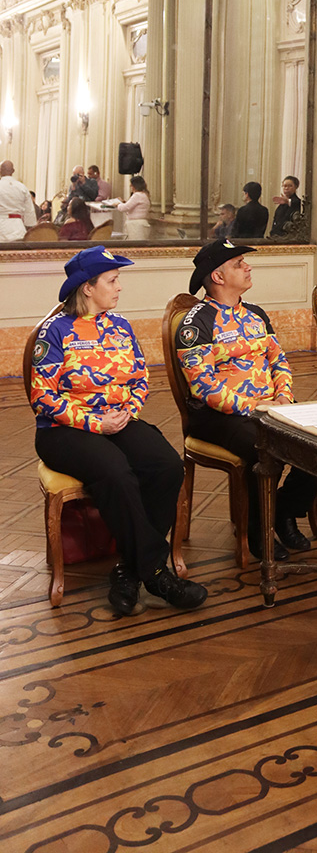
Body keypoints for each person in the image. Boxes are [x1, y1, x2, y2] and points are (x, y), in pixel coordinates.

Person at [29, 246, 207, 615]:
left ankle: (128, 570)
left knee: (166, 466)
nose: (119, 287)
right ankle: (156, 573)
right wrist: (97, 423)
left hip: (117, 419)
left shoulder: (121, 326)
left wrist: (127, 412)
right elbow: (42, 397)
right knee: (116, 473)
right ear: (87, 287)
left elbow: (141, 379)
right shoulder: (55, 330)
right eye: (112, 280)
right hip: (63, 429)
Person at [175, 239, 317, 559]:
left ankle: (284, 510)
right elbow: (203, 386)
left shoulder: (256, 314)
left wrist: (284, 397)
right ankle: (257, 530)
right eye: (238, 264)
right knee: (263, 447)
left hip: (270, 405)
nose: (247, 267)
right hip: (218, 415)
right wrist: (256, 407)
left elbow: (279, 361)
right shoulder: (197, 322)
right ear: (218, 276)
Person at [0, 159, 36, 240]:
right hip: (17, 227)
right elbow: (29, 211)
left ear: (0, 171)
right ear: (13, 171)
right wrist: (30, 226)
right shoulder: (22, 187)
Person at [116, 175, 151, 241]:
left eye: (131, 185)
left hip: (136, 225)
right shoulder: (143, 194)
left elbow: (125, 208)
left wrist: (118, 204)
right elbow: (133, 205)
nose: (130, 186)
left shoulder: (137, 195)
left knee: (135, 244)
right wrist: (124, 202)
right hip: (139, 224)